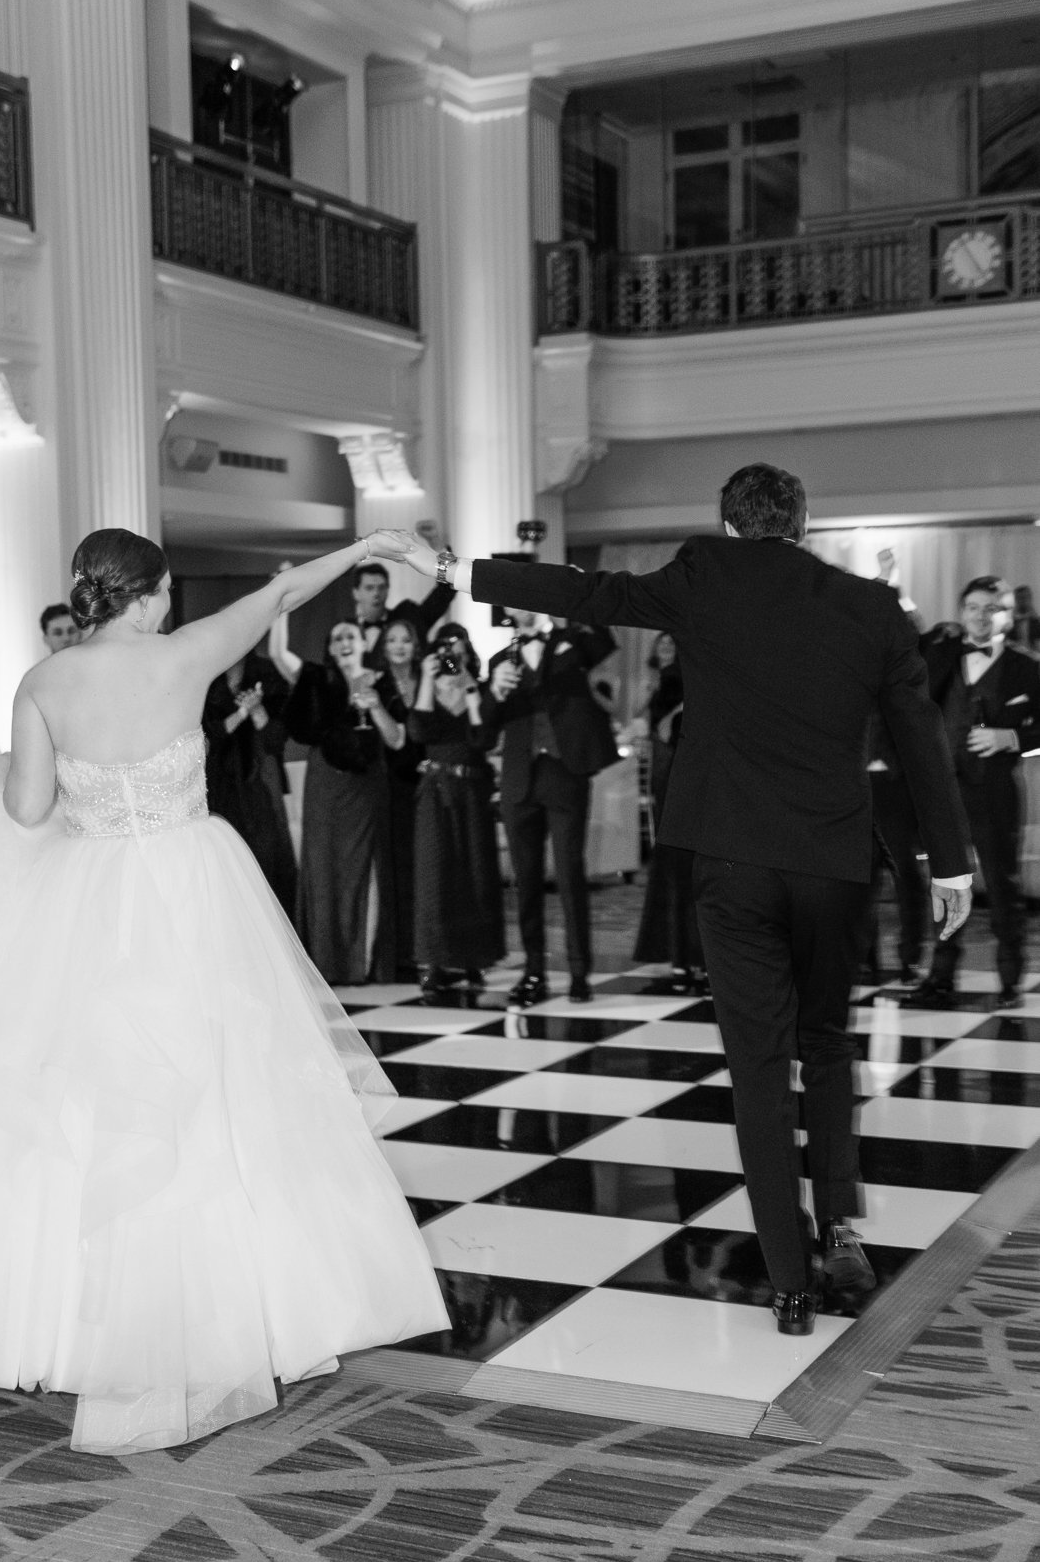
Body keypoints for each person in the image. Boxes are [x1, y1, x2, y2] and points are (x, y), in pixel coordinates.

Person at [0, 526, 447, 1455]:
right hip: (191, 890)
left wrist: (3, 771)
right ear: (150, 594)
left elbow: (27, 811)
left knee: (74, 1106)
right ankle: (221, 1315)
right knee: (211, 1093)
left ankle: (54, 1323)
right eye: (163, 592)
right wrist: (369, 546)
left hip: (82, 895)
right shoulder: (186, 654)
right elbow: (283, 594)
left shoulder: (45, 681)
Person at [377, 464, 972, 1337]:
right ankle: (839, 1228)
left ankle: (788, 1284)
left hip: (731, 860)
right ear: (803, 524)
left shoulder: (700, 576)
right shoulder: (870, 606)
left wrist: (448, 568)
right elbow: (919, 736)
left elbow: (585, 593)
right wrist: (949, 865)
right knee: (826, 1042)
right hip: (830, 864)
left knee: (757, 1066)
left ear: (728, 526)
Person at [481, 610, 619, 1007]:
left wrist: (567, 606)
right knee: (525, 881)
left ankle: (579, 972)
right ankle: (533, 971)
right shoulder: (500, 661)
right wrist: (495, 691)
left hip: (565, 773)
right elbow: (485, 730)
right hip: (519, 779)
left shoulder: (573, 642)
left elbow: (604, 641)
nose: (517, 606)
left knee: (570, 873)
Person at [913, 577, 1040, 1007]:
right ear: (961, 612)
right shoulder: (941, 653)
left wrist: (1013, 739)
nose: (981, 616)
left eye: (991, 608)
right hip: (945, 792)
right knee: (947, 883)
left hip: (995, 792)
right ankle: (940, 976)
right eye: (973, 607)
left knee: (1003, 886)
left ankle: (1010, 981)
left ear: (1008, 614)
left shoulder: (1027, 666)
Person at [269, 614, 407, 985]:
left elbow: (396, 740)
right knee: (324, 867)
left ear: (363, 642)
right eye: (337, 638)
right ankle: (327, 963)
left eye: (350, 636)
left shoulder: (380, 680)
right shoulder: (318, 679)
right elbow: (279, 654)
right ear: (330, 648)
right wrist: (281, 610)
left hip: (366, 787)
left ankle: (364, 962)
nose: (345, 643)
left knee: (363, 868)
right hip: (324, 785)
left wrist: (376, 706)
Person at [410, 628, 504, 996]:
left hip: (472, 792)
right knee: (434, 876)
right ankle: (433, 962)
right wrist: (426, 679)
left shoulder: (478, 689)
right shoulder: (427, 690)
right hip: (435, 792)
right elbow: (418, 732)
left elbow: (484, 739)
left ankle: (474, 959)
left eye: (459, 654)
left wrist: (470, 689)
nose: (453, 660)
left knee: (475, 872)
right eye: (446, 654)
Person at [201, 649, 297, 916]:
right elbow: (208, 738)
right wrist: (242, 712)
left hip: (259, 783)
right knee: (225, 866)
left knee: (266, 860)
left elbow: (276, 739)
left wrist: (257, 710)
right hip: (217, 789)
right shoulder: (206, 675)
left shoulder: (267, 675)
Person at [633, 632, 703, 990]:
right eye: (661, 645)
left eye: (671, 645)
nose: (666, 649)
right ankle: (681, 955)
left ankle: (685, 956)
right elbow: (640, 720)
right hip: (665, 773)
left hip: (679, 772)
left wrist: (674, 712)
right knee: (675, 867)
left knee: (680, 867)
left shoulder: (681, 678)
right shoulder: (657, 681)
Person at [379, 616, 425, 977]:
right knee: (400, 868)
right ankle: (402, 951)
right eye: (393, 640)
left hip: (428, 781)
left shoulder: (427, 678)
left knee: (427, 868)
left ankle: (429, 947)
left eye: (405, 640)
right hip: (392, 784)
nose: (399, 646)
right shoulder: (377, 684)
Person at [351, 562, 450, 662]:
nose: (376, 593)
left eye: (381, 587)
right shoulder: (347, 629)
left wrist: (445, 562)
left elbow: (442, 594)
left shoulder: (407, 616)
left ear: (387, 590)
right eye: (369, 588)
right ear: (356, 593)